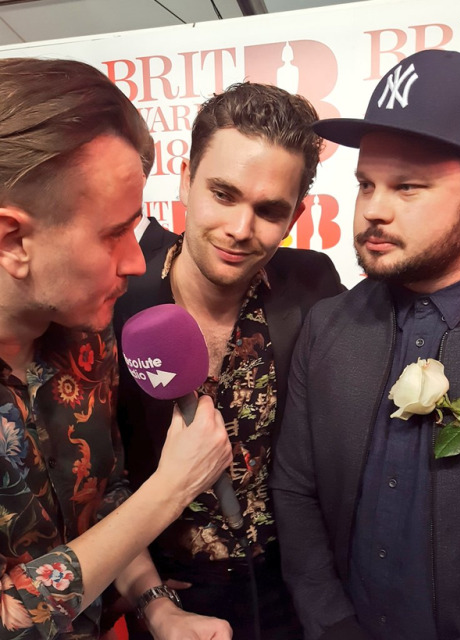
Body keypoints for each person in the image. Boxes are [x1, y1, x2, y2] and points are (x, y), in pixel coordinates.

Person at [0, 57, 234, 640]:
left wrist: (158, 608)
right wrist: (174, 487)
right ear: (12, 240)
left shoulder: (87, 335)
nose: (136, 261)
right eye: (112, 234)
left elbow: (104, 498)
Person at [271, 48, 460, 640]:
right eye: (366, 184)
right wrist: (329, 624)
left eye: (408, 187)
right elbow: (295, 491)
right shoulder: (327, 326)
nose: (373, 210)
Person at [114, 82, 344, 639]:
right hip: (165, 596)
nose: (241, 230)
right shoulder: (115, 300)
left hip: (295, 591)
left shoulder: (314, 287)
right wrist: (154, 602)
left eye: (269, 210)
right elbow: (100, 484)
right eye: (223, 194)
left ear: (296, 215)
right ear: (186, 179)